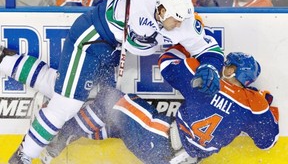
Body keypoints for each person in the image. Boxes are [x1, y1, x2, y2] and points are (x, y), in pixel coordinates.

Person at [8, 0, 224, 163]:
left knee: (92, 98)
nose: (178, 25)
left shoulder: (183, 21)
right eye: (175, 20)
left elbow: (210, 50)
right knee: (67, 103)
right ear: (161, 10)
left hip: (113, 48)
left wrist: (210, 66)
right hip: (91, 38)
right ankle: (23, 156)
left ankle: (6, 61)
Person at [1, 45, 279, 163]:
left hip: (161, 140)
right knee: (117, 122)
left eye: (226, 64)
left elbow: (167, 62)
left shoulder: (209, 80)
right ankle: (67, 137)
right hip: (176, 155)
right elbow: (268, 141)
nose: (223, 67)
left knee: (111, 101)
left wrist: (190, 46)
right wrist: (264, 105)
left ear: (231, 70)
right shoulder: (254, 107)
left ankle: (56, 140)